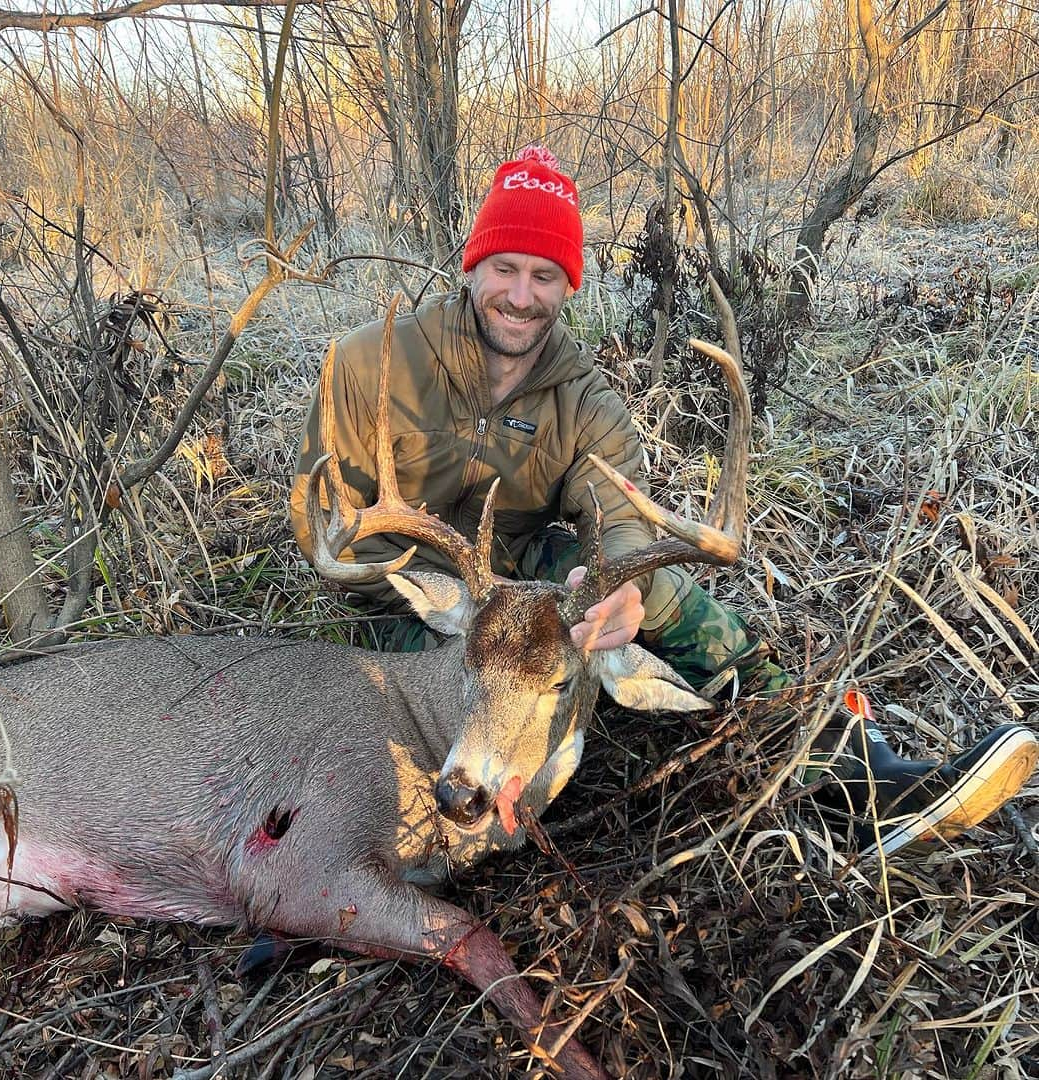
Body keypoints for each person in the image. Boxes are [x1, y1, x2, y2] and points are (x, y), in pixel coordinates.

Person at [291, 146, 1037, 859]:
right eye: (506, 269)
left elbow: (617, 517)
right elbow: (327, 526)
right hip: (407, 596)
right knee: (444, 713)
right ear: (473, 263)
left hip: (524, 580)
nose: (521, 297)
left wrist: (621, 589)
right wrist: (451, 608)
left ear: (569, 285)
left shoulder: (586, 399)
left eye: (546, 276)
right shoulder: (367, 362)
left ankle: (853, 776)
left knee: (661, 586)